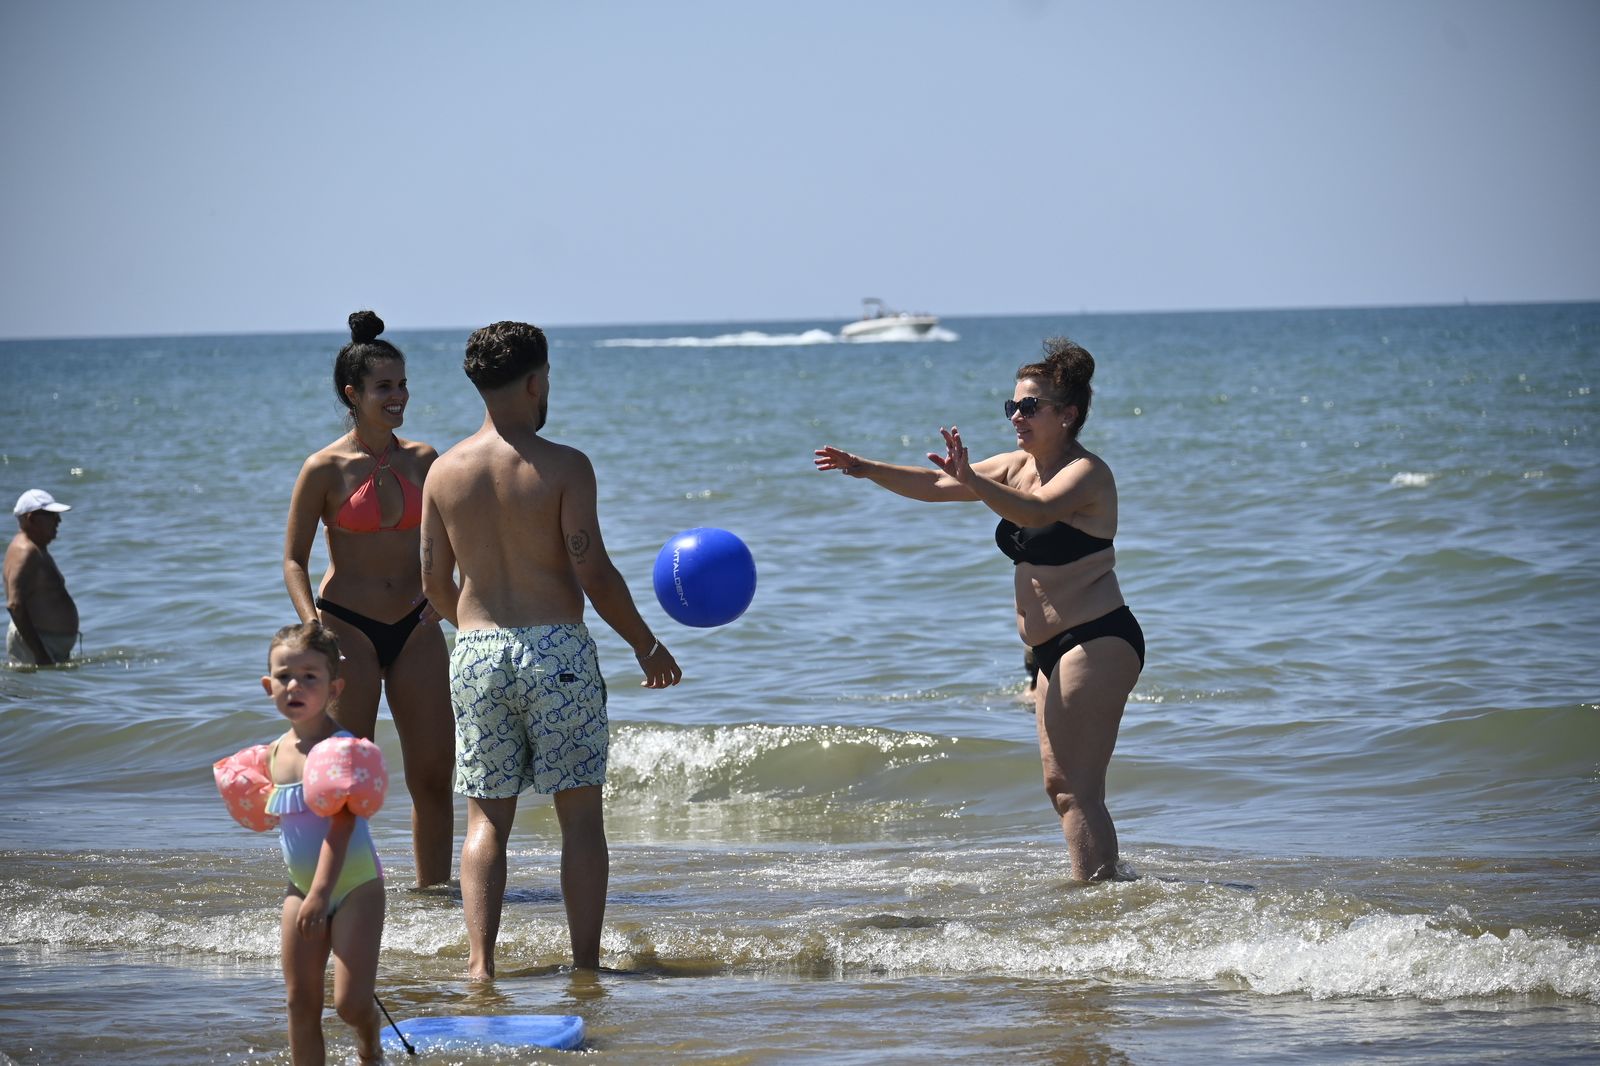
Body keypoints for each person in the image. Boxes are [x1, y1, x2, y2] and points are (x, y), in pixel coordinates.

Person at [815, 337, 1143, 881]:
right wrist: (867, 467)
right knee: (1069, 789)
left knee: (1071, 788)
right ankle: (1111, 894)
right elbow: (939, 482)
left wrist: (973, 479)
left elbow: (1036, 514)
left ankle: (1097, 907)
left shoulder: (1087, 474)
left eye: (1030, 406)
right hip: (1048, 652)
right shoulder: (1016, 466)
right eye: (1011, 405)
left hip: (1098, 639)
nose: (1017, 416)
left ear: (1068, 413)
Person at [421, 319, 682, 980]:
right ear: (537, 381)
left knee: (486, 820)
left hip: (476, 652)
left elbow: (433, 585)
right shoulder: (564, 466)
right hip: (558, 652)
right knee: (580, 818)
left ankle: (480, 966)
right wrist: (646, 645)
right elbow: (592, 572)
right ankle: (586, 966)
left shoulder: (442, 473)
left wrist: (477, 636)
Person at [283, 310, 454, 888]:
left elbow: (461, 542)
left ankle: (433, 898)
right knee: (345, 777)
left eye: (403, 384)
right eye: (385, 387)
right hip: (346, 628)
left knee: (433, 776)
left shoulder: (426, 460)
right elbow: (293, 560)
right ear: (353, 394)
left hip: (417, 624)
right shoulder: (324, 468)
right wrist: (314, 630)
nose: (399, 396)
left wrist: (448, 597)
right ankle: (340, 891)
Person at [260, 621, 385, 1065]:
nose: (294, 685)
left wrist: (320, 894)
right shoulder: (275, 753)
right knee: (300, 1002)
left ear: (335, 687)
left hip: (354, 888)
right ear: (267, 685)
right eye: (283, 676)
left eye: (309, 676)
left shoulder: (342, 749)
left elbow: (342, 827)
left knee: (349, 1004)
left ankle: (370, 1035)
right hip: (301, 889)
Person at [5, 489, 79, 666]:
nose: (59, 521)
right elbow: (15, 605)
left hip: (47, 644)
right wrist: (40, 654)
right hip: (39, 646)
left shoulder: (36, 548)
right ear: (31, 519)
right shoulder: (25, 552)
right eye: (52, 516)